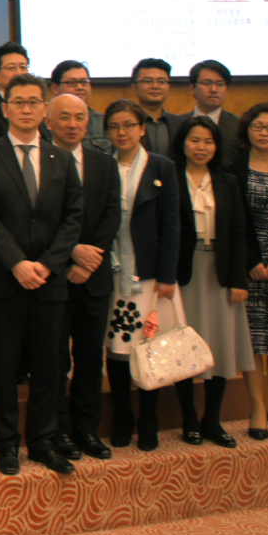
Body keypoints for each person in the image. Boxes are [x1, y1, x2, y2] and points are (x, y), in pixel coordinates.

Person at [0, 74, 83, 476]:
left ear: (44, 110)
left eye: (34, 102)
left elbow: (72, 220)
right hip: (3, 280)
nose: (26, 109)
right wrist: (17, 262)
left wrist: (48, 264)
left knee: (49, 367)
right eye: (18, 102)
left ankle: (41, 441)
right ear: (5, 109)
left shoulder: (62, 159)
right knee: (3, 367)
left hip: (48, 282)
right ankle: (6, 444)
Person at [100, 99, 180, 452]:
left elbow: (172, 224)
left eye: (129, 125)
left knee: (152, 349)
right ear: (107, 132)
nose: (122, 132)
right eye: (115, 126)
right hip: (114, 276)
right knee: (117, 351)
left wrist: (167, 275)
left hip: (151, 280)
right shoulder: (102, 167)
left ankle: (149, 419)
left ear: (142, 128)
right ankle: (123, 418)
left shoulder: (162, 167)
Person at [46, 94, 122, 462]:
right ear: (49, 121)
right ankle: (58, 430)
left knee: (91, 357)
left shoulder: (104, 164)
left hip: (94, 276)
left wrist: (88, 260)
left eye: (80, 117)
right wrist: (70, 252)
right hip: (54, 275)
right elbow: (39, 221)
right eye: (64, 117)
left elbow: (111, 216)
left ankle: (87, 429)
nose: (73, 124)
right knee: (55, 357)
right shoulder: (39, 161)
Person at [170, 117, 254, 448]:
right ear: (183, 143)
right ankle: (189, 419)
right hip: (183, 274)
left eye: (208, 141)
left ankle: (212, 420)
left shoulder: (227, 181)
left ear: (216, 146)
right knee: (184, 350)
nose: (201, 147)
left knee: (219, 347)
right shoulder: (170, 178)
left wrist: (238, 279)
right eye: (195, 140)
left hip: (218, 273)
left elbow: (237, 232)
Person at [234, 102, 268, 438]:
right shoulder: (235, 168)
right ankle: (256, 407)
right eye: (259, 126)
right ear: (247, 129)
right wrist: (251, 262)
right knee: (253, 340)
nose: (265, 133)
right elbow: (234, 222)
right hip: (249, 265)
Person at [49, 61, 109, 153]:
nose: (80, 87)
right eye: (72, 83)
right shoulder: (45, 124)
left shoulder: (104, 121)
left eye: (84, 82)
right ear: (55, 88)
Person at [189, 60, 241, 163]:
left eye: (220, 84)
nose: (214, 89)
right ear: (192, 88)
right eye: (207, 83)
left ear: (227, 90)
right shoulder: (178, 123)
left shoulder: (239, 126)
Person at [131, 58, 185, 156]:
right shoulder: (127, 123)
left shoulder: (181, 124)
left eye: (161, 81)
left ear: (168, 87)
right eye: (148, 81)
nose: (155, 86)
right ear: (134, 88)